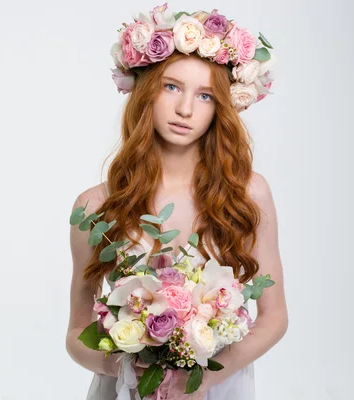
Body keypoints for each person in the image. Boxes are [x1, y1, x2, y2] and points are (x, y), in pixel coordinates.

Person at [66, 5, 288, 399]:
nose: (186, 109)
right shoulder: (95, 208)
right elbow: (76, 334)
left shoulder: (248, 194)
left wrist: (201, 379)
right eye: (171, 87)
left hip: (217, 389)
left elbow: (274, 318)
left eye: (204, 95)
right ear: (146, 91)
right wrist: (132, 370)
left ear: (221, 106)